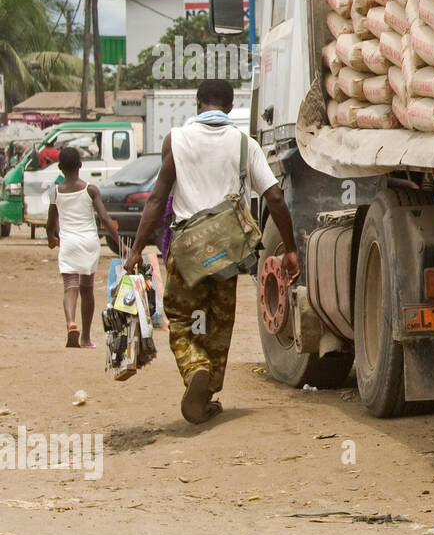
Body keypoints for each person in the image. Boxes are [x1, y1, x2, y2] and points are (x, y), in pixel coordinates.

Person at [123, 79, 300, 425]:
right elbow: (275, 197)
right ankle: (206, 394)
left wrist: (135, 251)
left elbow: (158, 200)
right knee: (218, 323)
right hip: (227, 250)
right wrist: (291, 250)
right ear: (231, 108)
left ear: (197, 103)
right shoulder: (244, 144)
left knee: (180, 317)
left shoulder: (176, 140)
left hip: (187, 247)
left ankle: (194, 369)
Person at [46, 147, 120, 348]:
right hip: (89, 242)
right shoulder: (90, 189)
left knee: (70, 286)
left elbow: (51, 222)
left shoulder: (55, 192)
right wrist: (121, 244)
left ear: (60, 168)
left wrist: (52, 239)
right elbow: (104, 217)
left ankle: (71, 323)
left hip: (68, 243)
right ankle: (86, 337)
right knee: (87, 289)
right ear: (80, 165)